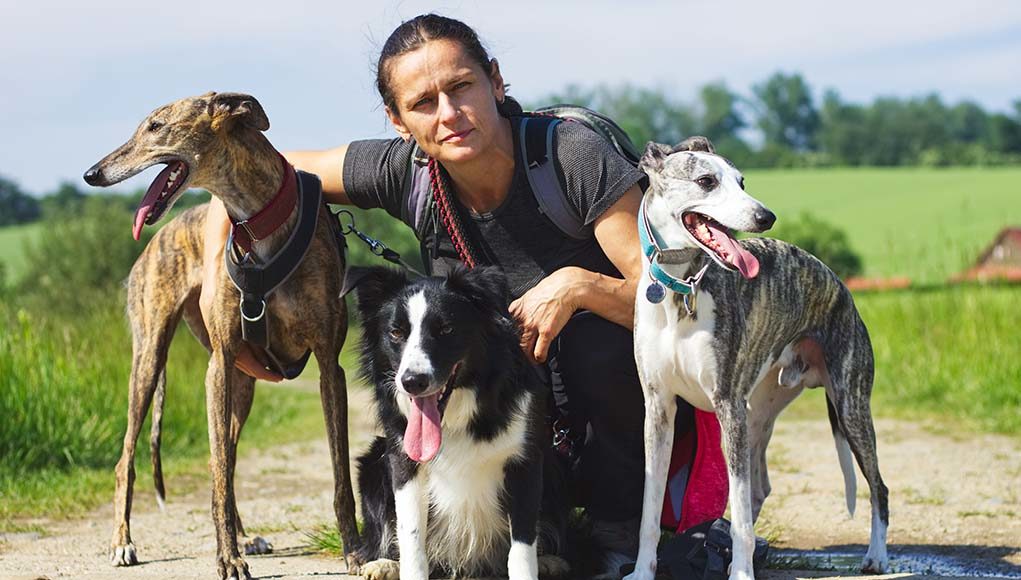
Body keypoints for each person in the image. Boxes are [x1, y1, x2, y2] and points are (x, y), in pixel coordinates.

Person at [199, 13, 696, 571]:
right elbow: (257, 170)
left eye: (461, 87)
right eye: (423, 103)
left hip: (591, 405)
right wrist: (218, 287)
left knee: (595, 345)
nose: (449, 114)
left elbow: (671, 300)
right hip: (492, 413)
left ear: (496, 82)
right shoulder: (404, 171)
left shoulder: (569, 157)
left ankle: (622, 527)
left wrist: (578, 285)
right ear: (397, 120)